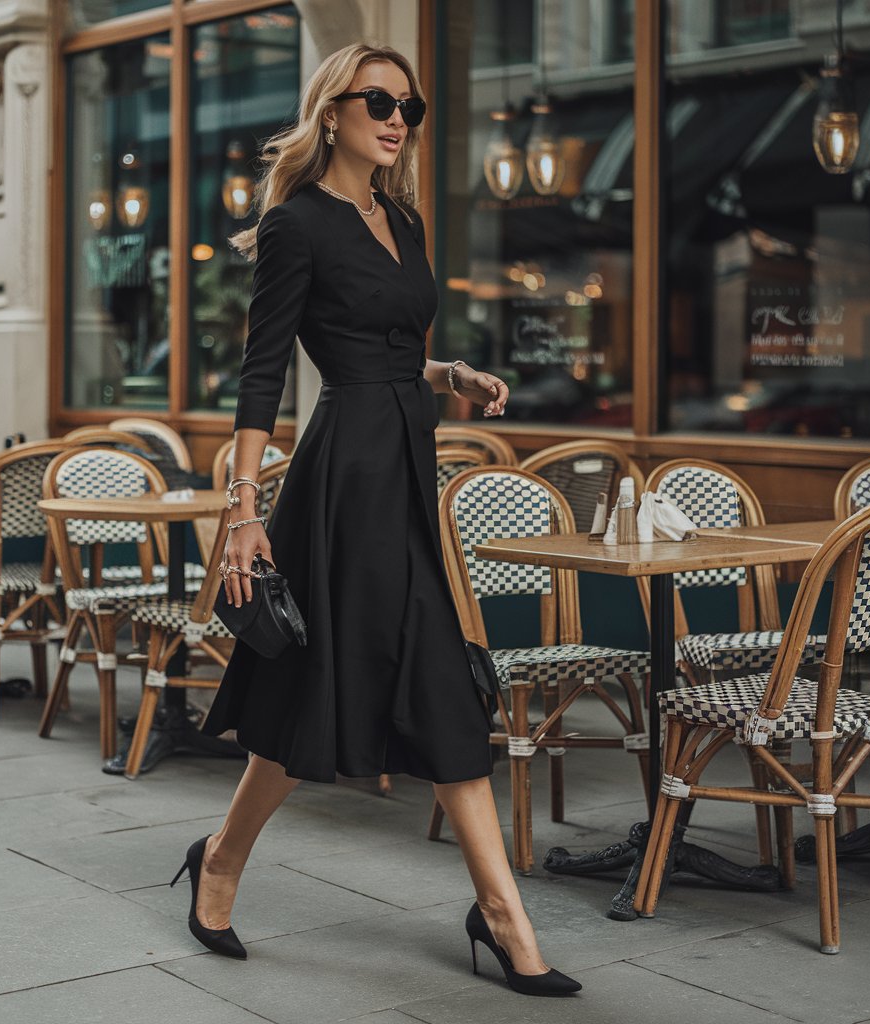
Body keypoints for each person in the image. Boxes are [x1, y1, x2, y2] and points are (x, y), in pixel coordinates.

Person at [171, 43, 581, 998]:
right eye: (380, 101)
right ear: (333, 112)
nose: (399, 119)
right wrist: (241, 512)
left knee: (417, 681)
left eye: (412, 106)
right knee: (323, 681)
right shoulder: (296, 224)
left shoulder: (401, 217)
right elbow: (265, 374)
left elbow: (392, 345)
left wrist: (448, 375)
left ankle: (496, 915)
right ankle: (227, 863)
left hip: (407, 465)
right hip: (342, 477)